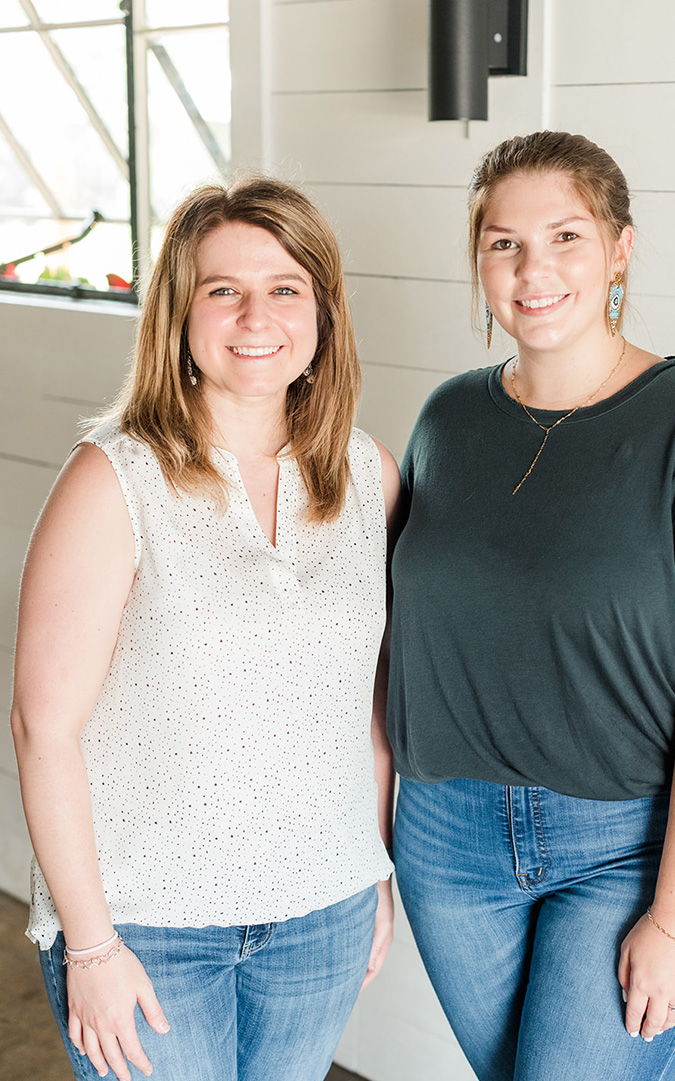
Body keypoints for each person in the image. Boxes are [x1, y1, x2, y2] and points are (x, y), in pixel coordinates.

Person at [387, 131, 675, 1081]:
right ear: (479, 260)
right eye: (503, 243)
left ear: (619, 249)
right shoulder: (448, 420)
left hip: (628, 844)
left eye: (566, 236)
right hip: (448, 843)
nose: (534, 270)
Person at [11, 175, 399, 1081]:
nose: (255, 314)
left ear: (323, 312)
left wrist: (373, 868)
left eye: (285, 287)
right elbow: (43, 727)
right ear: (179, 317)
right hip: (147, 928)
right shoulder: (115, 478)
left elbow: (374, 703)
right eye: (222, 290)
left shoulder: (367, 474)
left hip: (322, 912)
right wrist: (93, 944)